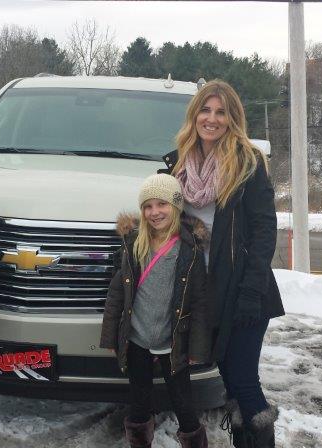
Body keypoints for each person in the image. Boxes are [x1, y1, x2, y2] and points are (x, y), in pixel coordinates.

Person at [163, 79, 285, 448]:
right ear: (194, 114)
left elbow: (265, 231)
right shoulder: (177, 165)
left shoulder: (248, 164)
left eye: (221, 112)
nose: (211, 119)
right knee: (230, 381)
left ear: (232, 119)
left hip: (246, 290)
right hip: (205, 291)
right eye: (205, 110)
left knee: (245, 382)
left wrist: (251, 291)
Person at [100, 173, 211, 448]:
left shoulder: (189, 249)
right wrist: (111, 336)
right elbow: (117, 294)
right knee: (138, 401)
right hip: (137, 339)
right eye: (147, 206)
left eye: (161, 204)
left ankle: (195, 442)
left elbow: (199, 302)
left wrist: (197, 349)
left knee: (183, 402)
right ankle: (139, 441)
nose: (154, 212)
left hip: (171, 342)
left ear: (175, 206)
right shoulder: (133, 244)